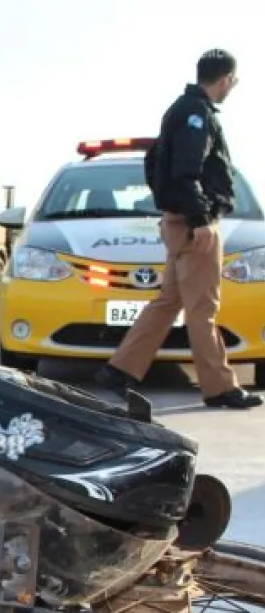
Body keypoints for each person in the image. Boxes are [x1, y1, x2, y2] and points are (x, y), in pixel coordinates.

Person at [95, 49, 262, 409]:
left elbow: (162, 164)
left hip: (179, 221)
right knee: (203, 308)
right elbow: (187, 171)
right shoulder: (196, 114)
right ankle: (220, 388)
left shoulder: (181, 109)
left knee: (169, 301)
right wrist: (200, 220)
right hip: (193, 224)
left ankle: (120, 370)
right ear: (225, 79)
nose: (233, 86)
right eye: (233, 81)